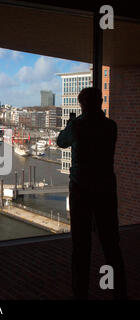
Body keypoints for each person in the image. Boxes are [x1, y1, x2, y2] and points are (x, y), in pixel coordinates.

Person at [57, 87, 127, 300]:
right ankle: (116, 289)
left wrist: (70, 124)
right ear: (100, 102)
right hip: (106, 188)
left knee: (81, 245)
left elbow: (61, 142)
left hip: (81, 188)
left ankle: (80, 292)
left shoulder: (77, 126)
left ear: (82, 104)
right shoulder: (110, 126)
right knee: (110, 243)